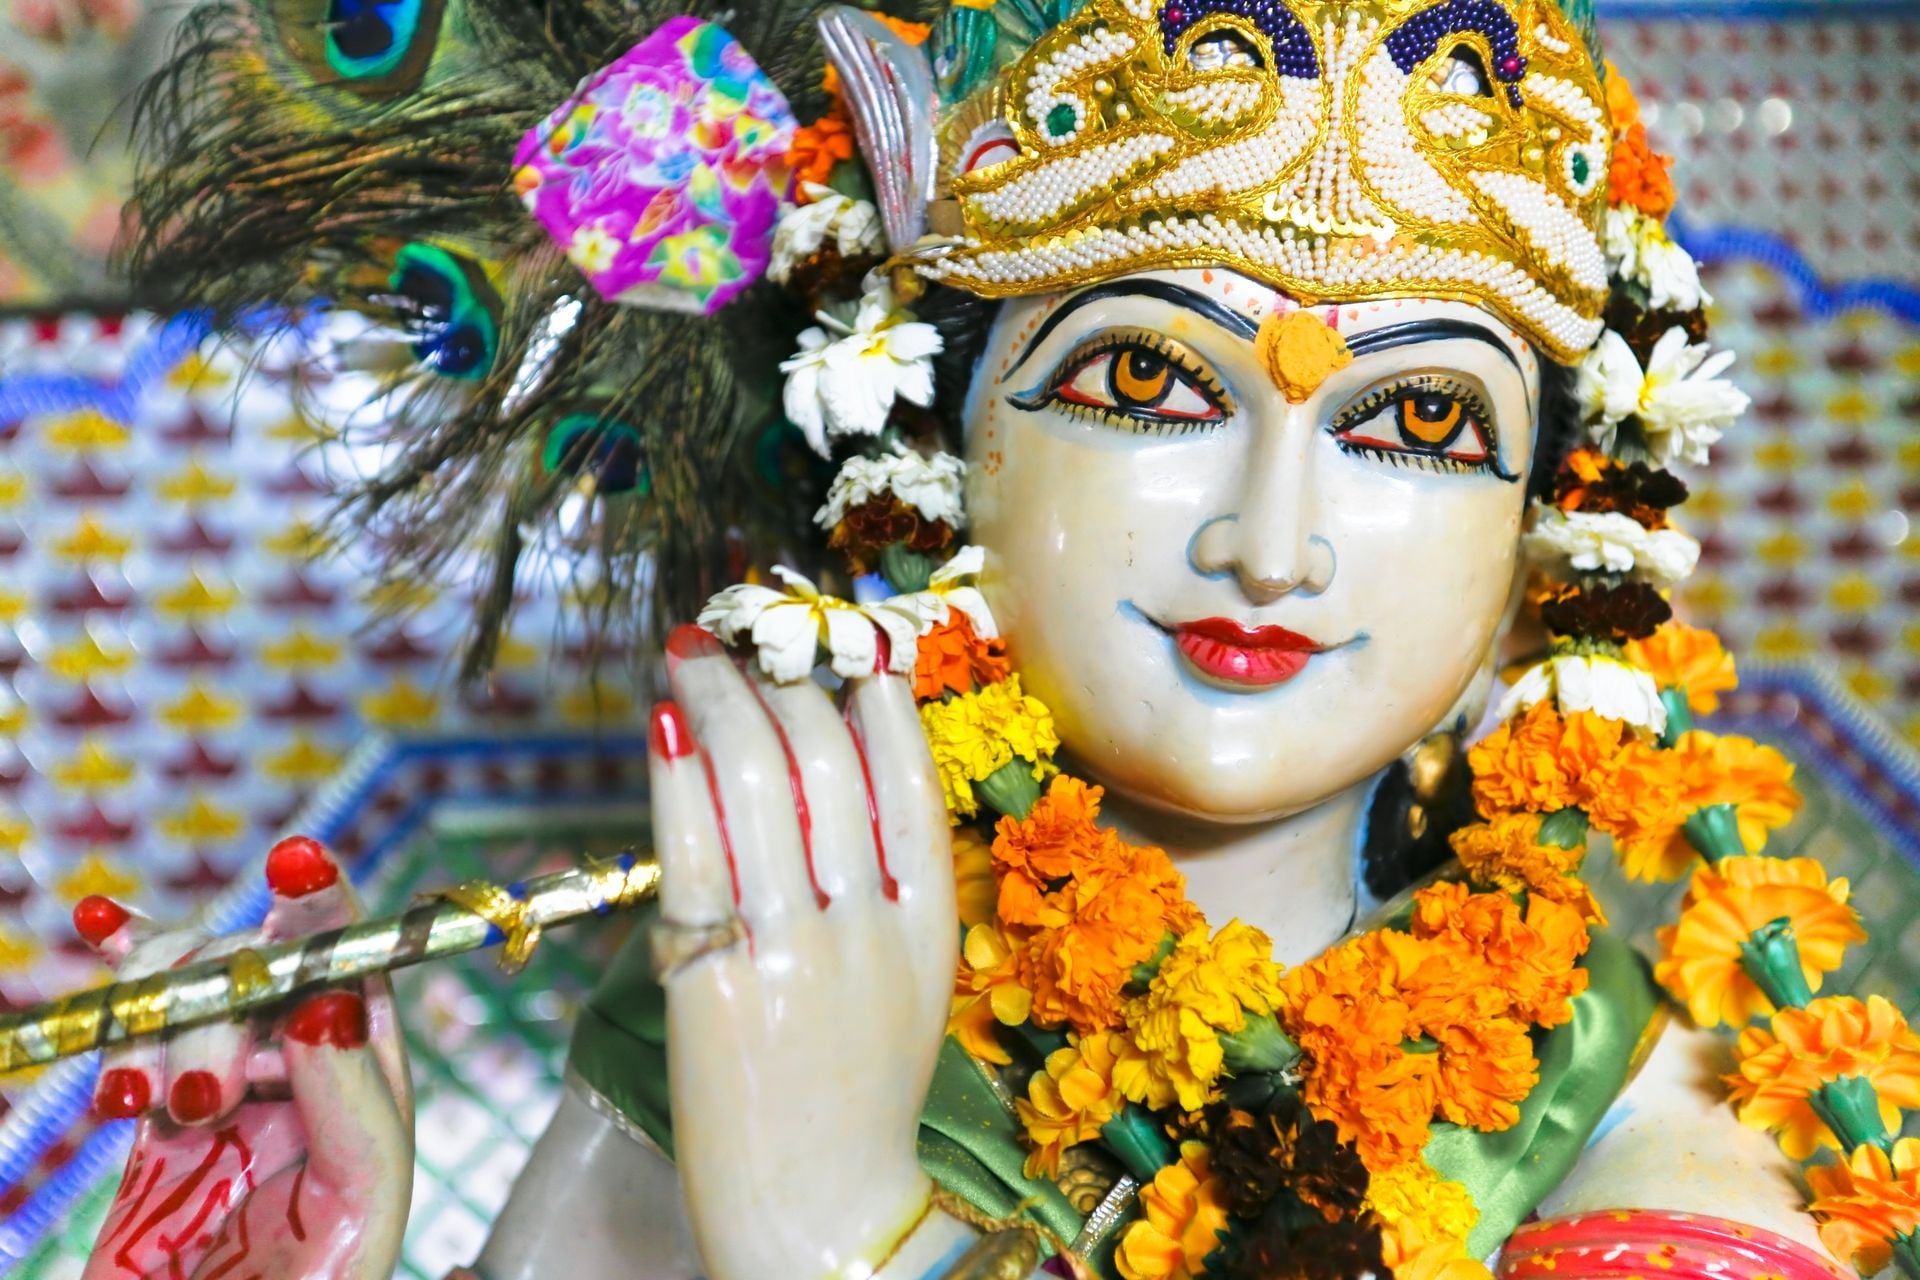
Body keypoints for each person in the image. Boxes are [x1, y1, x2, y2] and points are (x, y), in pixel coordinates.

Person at [84, 0, 1912, 1275]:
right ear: (933, 443)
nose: (1266, 546)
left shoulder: (1611, 1086)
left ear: (1552, 515)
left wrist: (848, 1244)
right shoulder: (774, 989)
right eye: (1143, 380)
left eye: (1416, 423)